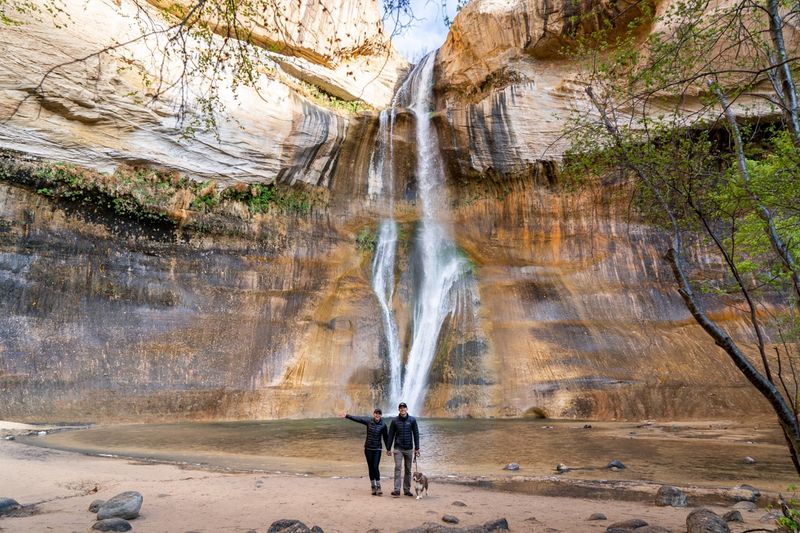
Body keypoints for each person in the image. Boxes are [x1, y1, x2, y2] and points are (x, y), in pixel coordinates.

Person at [341, 409, 390, 495]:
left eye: (379, 414)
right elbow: (358, 419)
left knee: (375, 467)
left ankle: (378, 486)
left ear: (381, 415)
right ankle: (373, 486)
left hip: (377, 449)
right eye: (376, 413)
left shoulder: (383, 425)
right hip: (368, 449)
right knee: (370, 467)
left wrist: (388, 449)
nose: (377, 415)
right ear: (373, 414)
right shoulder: (369, 421)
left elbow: (386, 438)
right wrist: (347, 416)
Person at [387, 401, 420, 497]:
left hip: (409, 448)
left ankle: (406, 490)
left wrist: (417, 447)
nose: (402, 409)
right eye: (401, 407)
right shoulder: (394, 421)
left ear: (407, 409)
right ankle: (397, 490)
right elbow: (391, 435)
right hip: (398, 448)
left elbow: (416, 434)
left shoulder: (412, 420)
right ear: (399, 409)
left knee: (408, 470)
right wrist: (388, 448)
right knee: (397, 468)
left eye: (404, 407)